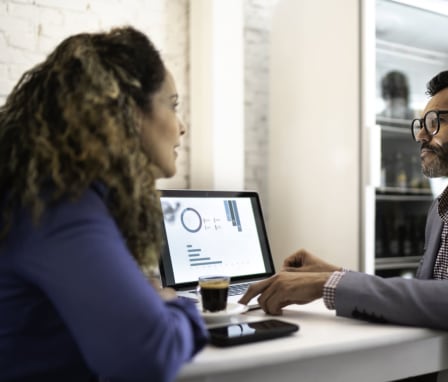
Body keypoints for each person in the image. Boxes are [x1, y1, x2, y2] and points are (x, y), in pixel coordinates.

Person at [0, 26, 208, 382]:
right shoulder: (61, 205)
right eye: (172, 106)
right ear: (129, 111)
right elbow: (150, 355)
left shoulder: (47, 194)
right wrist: (177, 306)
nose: (181, 126)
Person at [240, 70, 448, 332]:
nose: (420, 136)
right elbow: (424, 297)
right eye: (420, 126)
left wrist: (326, 283)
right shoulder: (440, 210)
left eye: (433, 122)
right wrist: (334, 274)